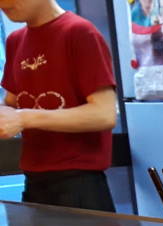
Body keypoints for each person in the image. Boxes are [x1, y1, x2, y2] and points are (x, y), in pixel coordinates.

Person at [0, 0, 118, 211]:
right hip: (34, 181)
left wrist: (24, 118)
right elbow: (11, 104)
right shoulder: (15, 41)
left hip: (79, 184)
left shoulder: (79, 32)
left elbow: (104, 114)